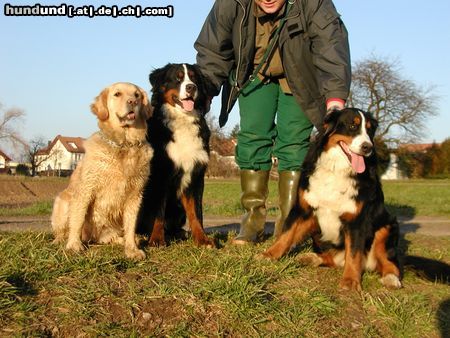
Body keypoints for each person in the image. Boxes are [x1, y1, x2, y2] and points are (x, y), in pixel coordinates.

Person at [194, 0, 351, 244]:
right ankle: (252, 223)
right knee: (252, 140)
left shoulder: (314, 3)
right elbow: (214, 47)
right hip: (253, 74)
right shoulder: (230, 3)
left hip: (300, 78)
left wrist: (335, 100)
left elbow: (331, 45)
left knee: (294, 144)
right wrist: (207, 89)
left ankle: (289, 227)